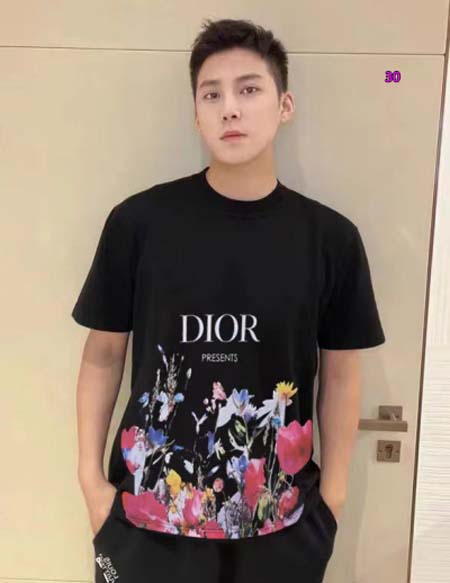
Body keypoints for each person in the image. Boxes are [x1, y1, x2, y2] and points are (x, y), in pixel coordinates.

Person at [72, 17, 386, 583]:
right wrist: (91, 483)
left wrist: (334, 498)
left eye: (249, 89)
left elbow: (341, 373)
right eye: (211, 94)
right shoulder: (138, 224)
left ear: (284, 105)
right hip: (146, 523)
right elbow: (103, 355)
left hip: (283, 526)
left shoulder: (329, 238)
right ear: (196, 113)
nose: (230, 109)